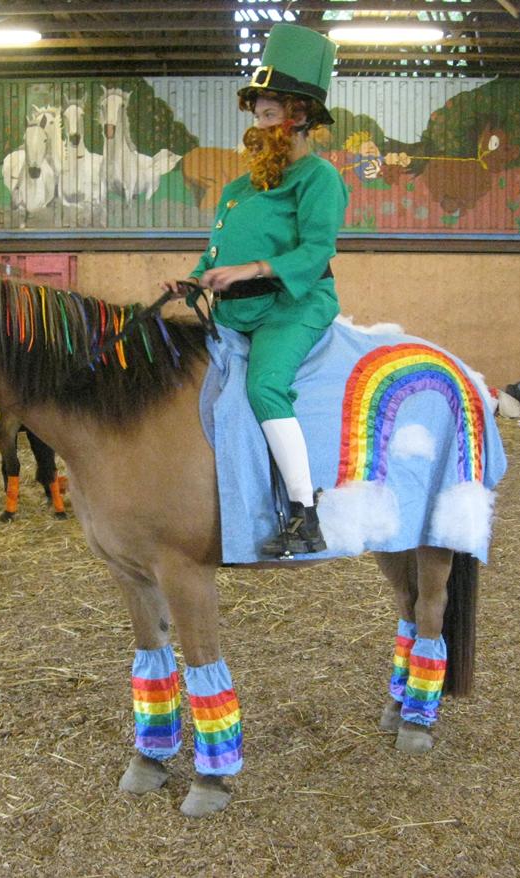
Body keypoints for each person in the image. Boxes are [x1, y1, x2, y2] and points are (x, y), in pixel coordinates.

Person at [162, 23, 347, 557]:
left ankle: (304, 514)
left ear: (300, 117)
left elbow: (316, 252)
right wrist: (195, 278)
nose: (258, 126)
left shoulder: (318, 179)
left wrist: (253, 270)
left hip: (294, 307)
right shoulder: (239, 188)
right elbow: (216, 253)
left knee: (265, 386)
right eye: (258, 115)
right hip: (233, 312)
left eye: (269, 115)